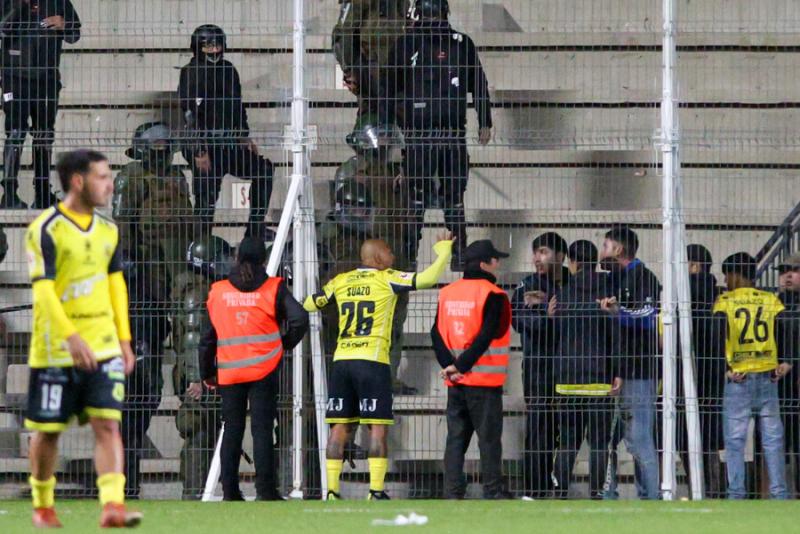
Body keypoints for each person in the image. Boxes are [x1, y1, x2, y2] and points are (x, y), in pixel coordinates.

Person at [23, 149, 141, 527]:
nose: (109, 184)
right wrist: (72, 337)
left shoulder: (109, 230)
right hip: (56, 350)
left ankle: (112, 506)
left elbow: (116, 287)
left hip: (104, 346)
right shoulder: (46, 229)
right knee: (48, 432)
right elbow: (43, 292)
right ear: (78, 181)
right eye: (102, 177)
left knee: (107, 424)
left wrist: (123, 341)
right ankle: (43, 504)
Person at [304, 231, 453, 500]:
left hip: (341, 362)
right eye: (388, 251)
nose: (393, 256)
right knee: (377, 428)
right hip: (372, 362)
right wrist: (443, 251)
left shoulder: (341, 280)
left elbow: (310, 303)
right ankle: (375, 490)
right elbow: (429, 278)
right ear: (375, 257)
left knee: (338, 429)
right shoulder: (388, 279)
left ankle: (332, 491)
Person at [112, 121, 194, 498]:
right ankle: (127, 472)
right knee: (142, 387)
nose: (162, 150)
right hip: (143, 291)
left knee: (176, 375)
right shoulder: (131, 176)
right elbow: (123, 230)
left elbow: (188, 226)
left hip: (177, 289)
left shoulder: (178, 177)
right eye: (156, 145)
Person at [385, 0, 493, 269]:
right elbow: (388, 88)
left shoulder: (460, 43)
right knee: (419, 196)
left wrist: (485, 120)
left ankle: (457, 255)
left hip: (451, 132)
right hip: (419, 132)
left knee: (452, 196)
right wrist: (396, 134)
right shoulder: (407, 44)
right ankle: (409, 256)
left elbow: (478, 82)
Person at [199, 237, 309, 501]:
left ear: (236, 258)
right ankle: (266, 491)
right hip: (264, 368)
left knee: (232, 429)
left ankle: (230, 492)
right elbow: (300, 318)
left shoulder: (219, 291)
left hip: (229, 371)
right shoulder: (274, 288)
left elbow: (207, 338)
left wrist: (207, 373)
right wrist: (285, 344)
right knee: (262, 429)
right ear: (263, 259)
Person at [325, 119, 416, 393]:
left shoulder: (398, 172)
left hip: (395, 252)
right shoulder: (350, 172)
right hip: (362, 255)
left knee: (395, 321)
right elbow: (344, 215)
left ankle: (388, 377)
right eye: (383, 139)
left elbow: (409, 212)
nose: (388, 146)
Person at [431, 239, 511, 499]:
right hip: (484, 381)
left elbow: (436, 333)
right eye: (495, 259)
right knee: (488, 441)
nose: (498, 264)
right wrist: (461, 365)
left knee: (456, 439)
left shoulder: (447, 292)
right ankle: (493, 491)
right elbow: (486, 336)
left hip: (455, 383)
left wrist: (449, 367)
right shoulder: (493, 294)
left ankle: (452, 492)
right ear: (484, 264)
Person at [178, 24, 274, 239]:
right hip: (204, 146)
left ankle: (255, 229)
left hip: (229, 143)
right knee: (207, 196)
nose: (214, 50)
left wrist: (243, 136)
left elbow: (237, 106)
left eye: (217, 45)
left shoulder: (229, 70)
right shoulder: (191, 72)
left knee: (264, 171)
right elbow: (189, 114)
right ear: (197, 48)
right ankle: (200, 243)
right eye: (208, 46)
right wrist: (199, 150)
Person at [713, 252, 792, 499]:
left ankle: (736, 493)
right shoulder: (771, 300)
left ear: (735, 275)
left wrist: (725, 368)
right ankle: (779, 493)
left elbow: (717, 337)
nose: (726, 282)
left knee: (735, 441)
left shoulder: (725, 301)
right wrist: (786, 362)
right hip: (769, 376)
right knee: (773, 440)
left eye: (727, 276)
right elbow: (785, 330)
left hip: (739, 378)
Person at [550, 240, 621, 499]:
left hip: (568, 379)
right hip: (600, 378)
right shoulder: (608, 295)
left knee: (568, 441)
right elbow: (616, 336)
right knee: (600, 444)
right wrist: (618, 372)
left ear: (573, 262)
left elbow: (554, 336)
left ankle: (559, 491)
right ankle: (597, 493)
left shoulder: (563, 296)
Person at [598, 226, 661, 500]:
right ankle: (610, 493)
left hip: (639, 369)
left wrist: (618, 312)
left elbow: (649, 315)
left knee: (640, 438)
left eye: (605, 245)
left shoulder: (643, 277)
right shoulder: (614, 278)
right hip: (617, 371)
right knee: (612, 437)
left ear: (618, 250)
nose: (602, 251)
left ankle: (651, 496)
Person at [1, 0, 81, 209]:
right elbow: (2, 29)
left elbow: (75, 35)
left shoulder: (58, 2)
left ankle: (43, 194)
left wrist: (64, 23)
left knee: (44, 133)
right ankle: (9, 194)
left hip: (47, 78)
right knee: (16, 132)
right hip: (14, 77)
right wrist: (19, 7)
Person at [172, 237, 233, 499]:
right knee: (198, 430)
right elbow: (193, 339)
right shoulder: (198, 293)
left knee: (206, 434)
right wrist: (199, 380)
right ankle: (195, 495)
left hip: (206, 373)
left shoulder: (200, 287)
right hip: (200, 378)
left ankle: (199, 493)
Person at [510, 231, 568, 497]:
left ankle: (563, 485)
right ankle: (536, 487)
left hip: (570, 366)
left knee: (568, 426)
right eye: (535, 252)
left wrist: (549, 312)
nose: (537, 258)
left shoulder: (572, 283)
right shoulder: (526, 285)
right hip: (536, 366)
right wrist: (545, 318)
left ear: (560, 256)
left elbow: (579, 322)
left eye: (543, 251)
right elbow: (518, 321)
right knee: (538, 426)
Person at [679, 244, 725, 497]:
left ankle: (702, 487)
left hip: (693, 372)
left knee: (687, 436)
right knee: (709, 436)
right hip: (715, 373)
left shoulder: (688, 291)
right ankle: (713, 488)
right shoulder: (717, 293)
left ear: (693, 265)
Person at [332, 0, 406, 119]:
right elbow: (343, 34)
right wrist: (349, 70)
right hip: (371, 71)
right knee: (372, 121)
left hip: (397, 72)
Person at [776, 254, 800, 494]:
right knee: (777, 443)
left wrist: (793, 361)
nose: (788, 275)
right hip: (778, 385)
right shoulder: (774, 304)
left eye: (794, 270)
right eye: (784, 271)